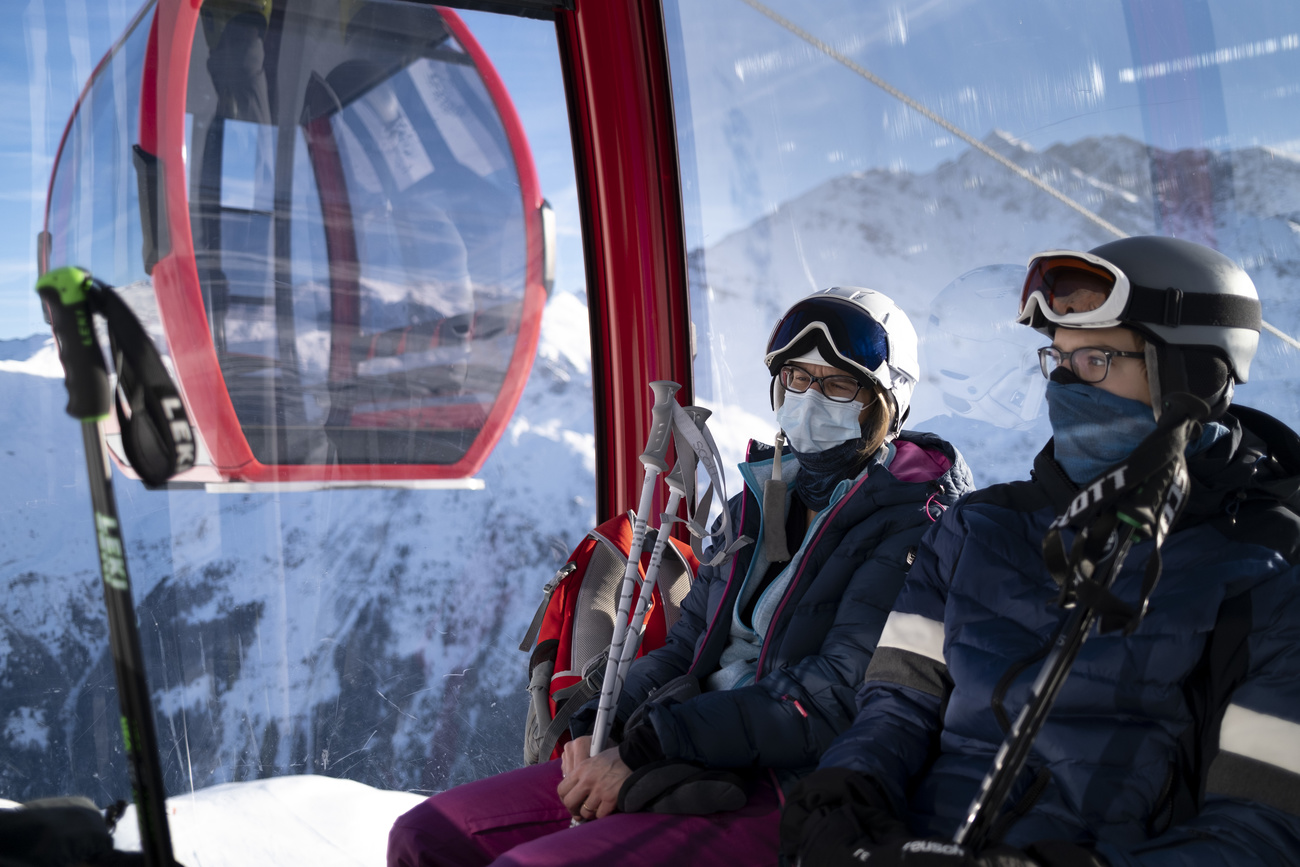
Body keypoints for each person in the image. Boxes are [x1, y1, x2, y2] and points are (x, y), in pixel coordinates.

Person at [387, 287, 974, 866]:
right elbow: (687, 647)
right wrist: (600, 724)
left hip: (788, 787)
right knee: (425, 839)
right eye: (798, 377)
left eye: (838, 384)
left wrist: (648, 747)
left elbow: (835, 697)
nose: (810, 397)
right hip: (679, 746)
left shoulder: (917, 524)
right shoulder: (758, 501)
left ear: (884, 402)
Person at [781, 236, 1300, 866]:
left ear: (1193, 374)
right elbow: (895, 708)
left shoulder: (1269, 566)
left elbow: (1262, 826)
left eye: (1096, 361)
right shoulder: (978, 528)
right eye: (1056, 359)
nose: (1064, 384)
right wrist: (846, 805)